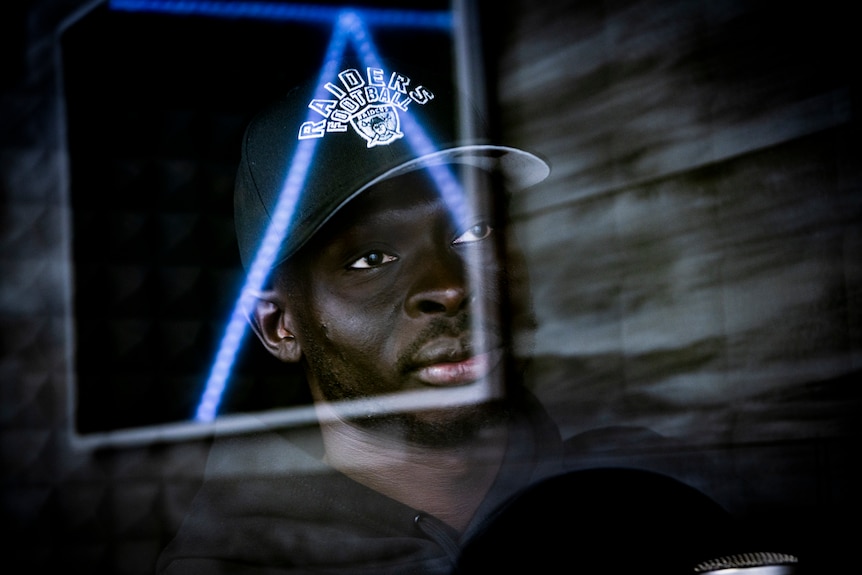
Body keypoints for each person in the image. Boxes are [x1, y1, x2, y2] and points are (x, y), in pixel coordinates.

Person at [156, 61, 767, 574]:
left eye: (473, 231)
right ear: (278, 326)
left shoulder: (648, 494)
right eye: (371, 258)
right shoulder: (234, 562)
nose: (448, 288)